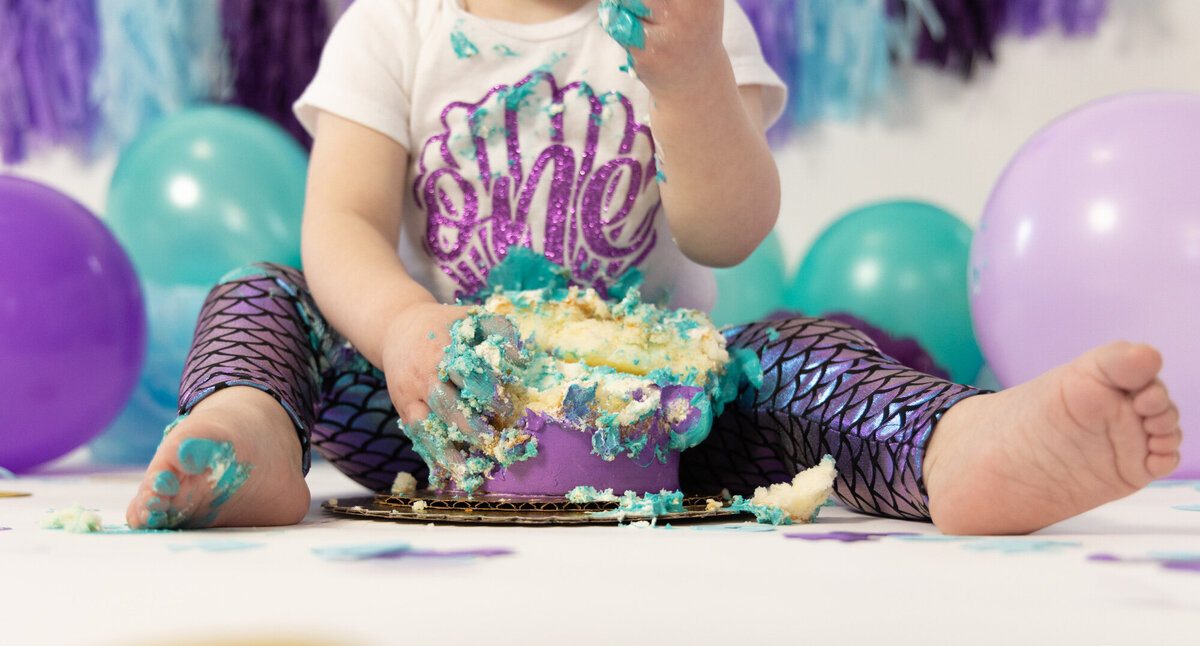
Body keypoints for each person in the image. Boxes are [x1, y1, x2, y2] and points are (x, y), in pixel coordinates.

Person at [126, 0, 1182, 535]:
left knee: (795, 355)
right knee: (264, 290)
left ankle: (954, 446)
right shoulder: (394, 25)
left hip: (670, 415)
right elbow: (342, 225)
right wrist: (403, 324)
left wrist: (686, 82)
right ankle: (252, 431)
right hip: (442, 413)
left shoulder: (681, 24)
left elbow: (730, 230)